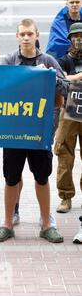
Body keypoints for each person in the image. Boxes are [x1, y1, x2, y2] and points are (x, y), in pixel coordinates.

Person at [0, 19, 68, 244]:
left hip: (39, 132)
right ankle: (7, 223)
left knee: (42, 178)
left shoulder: (48, 60)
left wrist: (51, 76)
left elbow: (65, 89)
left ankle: (46, 223)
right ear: (17, 37)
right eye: (22, 34)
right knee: (11, 178)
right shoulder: (8, 61)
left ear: (36, 36)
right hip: (13, 132)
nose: (26, 38)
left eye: (29, 34)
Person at [53, 22, 82, 213]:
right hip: (70, 109)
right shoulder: (63, 60)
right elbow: (61, 79)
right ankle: (65, 197)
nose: (79, 40)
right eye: (75, 36)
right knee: (64, 152)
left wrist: (73, 78)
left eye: (81, 36)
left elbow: (67, 79)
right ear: (70, 39)